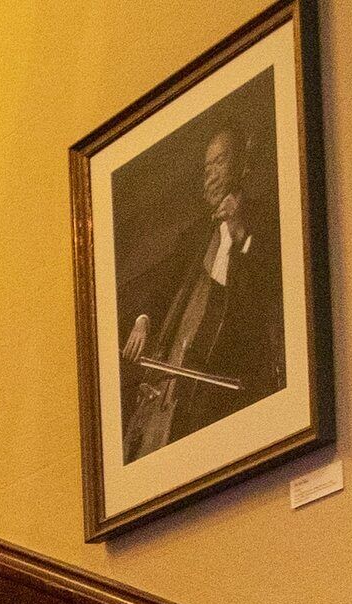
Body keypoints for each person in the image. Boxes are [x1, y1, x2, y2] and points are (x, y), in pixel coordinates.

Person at [122, 123, 283, 459]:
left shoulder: (267, 217)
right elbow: (164, 281)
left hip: (233, 374)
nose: (210, 175)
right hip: (184, 386)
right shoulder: (197, 234)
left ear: (242, 166)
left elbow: (263, 292)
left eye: (219, 163)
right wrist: (143, 318)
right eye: (206, 167)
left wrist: (239, 231)